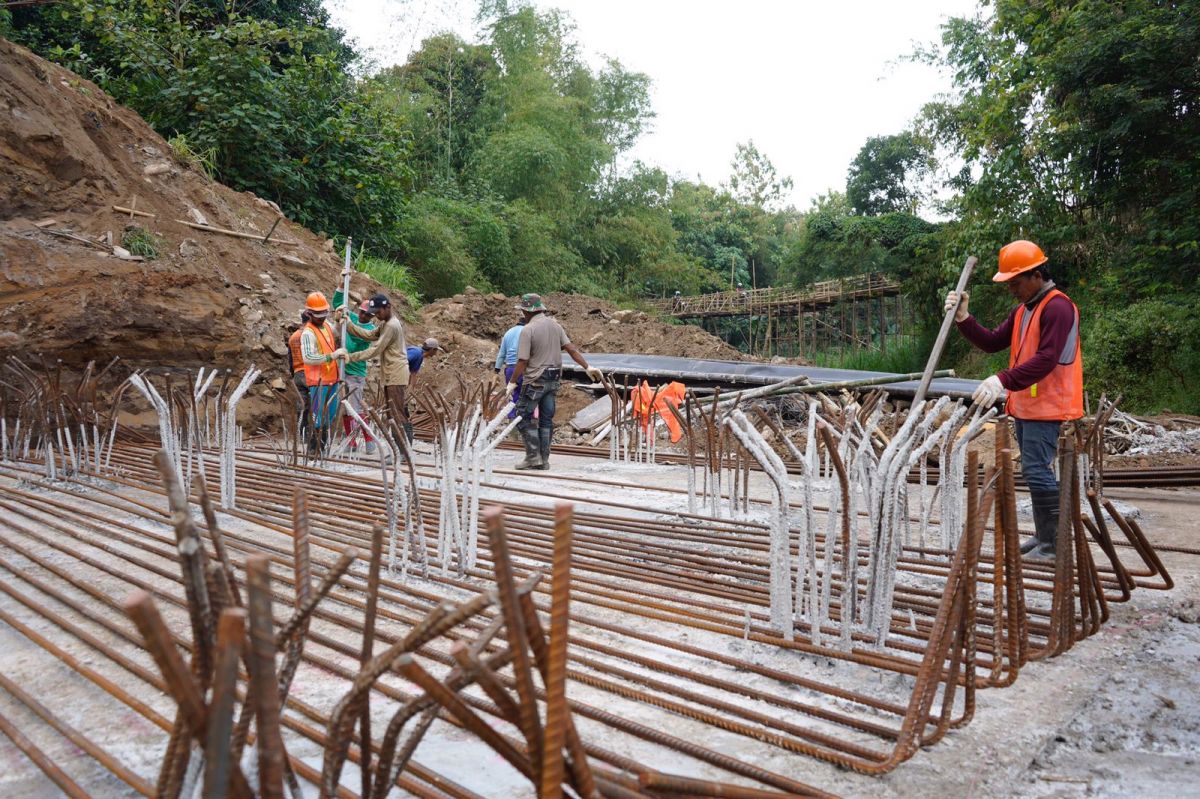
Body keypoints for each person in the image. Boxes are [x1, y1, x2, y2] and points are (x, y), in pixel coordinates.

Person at [945, 239, 1083, 560]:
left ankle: (1053, 545)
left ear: (1036, 275)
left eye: (1016, 282)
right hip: (1025, 405)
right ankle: (1044, 536)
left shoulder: (1058, 307)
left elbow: (1047, 359)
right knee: (1035, 471)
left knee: (1037, 471)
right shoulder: (1024, 310)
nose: (1012, 290)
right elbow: (993, 342)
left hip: (1048, 405)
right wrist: (964, 318)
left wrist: (1002, 379)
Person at [506, 294, 603, 470]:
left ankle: (532, 457)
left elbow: (522, 361)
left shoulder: (528, 330)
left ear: (527, 311)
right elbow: (571, 349)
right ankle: (544, 460)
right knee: (546, 419)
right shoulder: (556, 326)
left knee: (521, 415)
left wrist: (512, 382)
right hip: (553, 379)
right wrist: (587, 367)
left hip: (536, 379)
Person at [340, 292, 412, 448]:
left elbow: (375, 350)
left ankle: (403, 451)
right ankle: (401, 450)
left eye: (378, 312)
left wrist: (351, 357)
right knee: (392, 413)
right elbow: (369, 334)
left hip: (396, 374)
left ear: (388, 307)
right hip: (391, 374)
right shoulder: (386, 323)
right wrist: (350, 324)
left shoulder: (392, 325)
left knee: (397, 413)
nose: (376, 316)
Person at [299, 292, 347, 456]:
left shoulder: (326, 325)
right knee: (317, 417)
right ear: (309, 313)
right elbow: (308, 357)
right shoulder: (308, 333)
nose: (321, 317)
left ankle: (323, 447)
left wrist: (338, 320)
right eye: (318, 315)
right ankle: (314, 449)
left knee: (329, 416)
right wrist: (332, 356)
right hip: (318, 382)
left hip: (331, 379)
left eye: (323, 314)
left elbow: (335, 333)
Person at [338, 296, 377, 455]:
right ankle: (351, 442)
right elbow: (337, 303)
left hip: (355, 374)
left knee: (356, 409)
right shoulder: (353, 318)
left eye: (367, 315)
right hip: (343, 370)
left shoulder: (369, 330)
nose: (363, 316)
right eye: (361, 312)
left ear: (372, 317)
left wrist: (345, 324)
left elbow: (352, 344)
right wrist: (341, 288)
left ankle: (369, 440)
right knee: (345, 408)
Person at [286, 309, 311, 437]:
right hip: (310, 373)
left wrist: (293, 373)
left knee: (302, 404)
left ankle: (302, 433)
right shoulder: (310, 335)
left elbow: (290, 358)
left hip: (297, 374)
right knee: (314, 405)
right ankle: (313, 433)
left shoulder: (293, 337)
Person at [494, 317, 525, 415]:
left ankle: (512, 416)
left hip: (509, 369)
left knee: (512, 394)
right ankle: (518, 418)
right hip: (523, 367)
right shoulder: (527, 332)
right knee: (523, 395)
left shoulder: (508, 333)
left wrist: (496, 370)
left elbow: (501, 354)